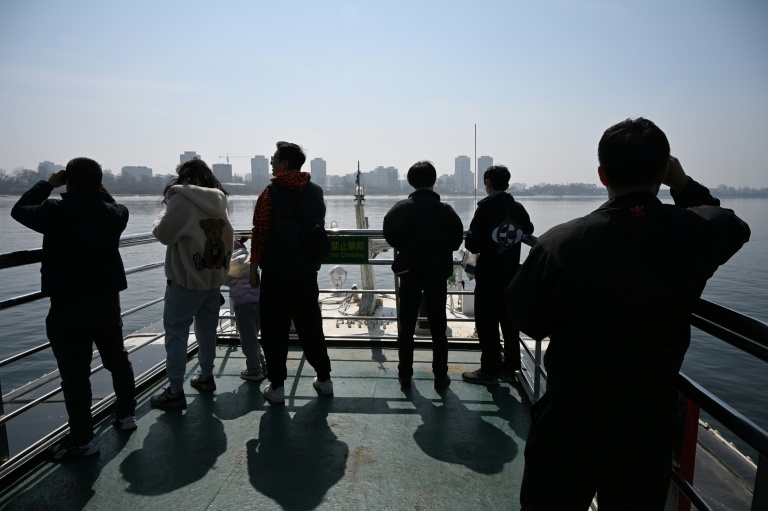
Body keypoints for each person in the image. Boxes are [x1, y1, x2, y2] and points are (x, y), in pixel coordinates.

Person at [507, 118, 751, 511]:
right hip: (648, 423)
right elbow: (731, 224)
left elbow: (525, 317)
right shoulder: (694, 233)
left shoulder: (561, 244)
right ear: (662, 172)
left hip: (572, 419)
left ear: (601, 175)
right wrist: (683, 184)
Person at [11, 157, 137, 460]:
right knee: (117, 360)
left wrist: (47, 184)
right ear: (100, 182)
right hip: (107, 301)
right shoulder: (117, 212)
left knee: (75, 374)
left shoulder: (55, 210)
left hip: (68, 304)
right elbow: (108, 202)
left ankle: (82, 440)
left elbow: (19, 210)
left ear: (68, 181)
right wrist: (100, 190)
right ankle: (126, 416)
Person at [250, 141, 333, 405]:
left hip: (276, 274)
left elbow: (259, 234)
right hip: (306, 273)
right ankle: (325, 380)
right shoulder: (316, 192)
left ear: (285, 163)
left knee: (275, 331)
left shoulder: (269, 194)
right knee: (311, 327)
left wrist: (253, 268)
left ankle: (276, 387)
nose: (272, 162)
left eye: (274, 159)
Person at [150, 158, 234, 408]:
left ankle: (175, 391)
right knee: (207, 332)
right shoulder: (219, 201)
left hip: (185, 282)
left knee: (176, 335)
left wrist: (159, 218)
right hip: (212, 280)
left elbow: (163, 234)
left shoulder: (182, 199)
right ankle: (206, 377)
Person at [383, 161, 464, 391]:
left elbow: (390, 235)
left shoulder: (400, 208)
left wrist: (408, 247)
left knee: (406, 326)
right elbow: (456, 239)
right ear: (433, 181)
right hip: (437, 274)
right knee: (438, 326)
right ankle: (440, 376)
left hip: (409, 272)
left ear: (411, 181)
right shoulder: (446, 210)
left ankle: (405, 375)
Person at [462, 165, 533, 387]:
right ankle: (510, 369)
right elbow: (527, 230)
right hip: (512, 274)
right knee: (510, 323)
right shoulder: (518, 208)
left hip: (489, 276)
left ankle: (489, 370)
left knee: (487, 323)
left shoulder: (485, 209)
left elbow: (472, 243)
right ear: (507, 183)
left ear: (488, 183)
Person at [226, 237, 267, 381]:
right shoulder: (251, 262)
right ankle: (264, 364)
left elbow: (221, 280)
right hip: (260, 302)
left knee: (248, 340)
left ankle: (254, 370)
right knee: (254, 337)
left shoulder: (228, 267)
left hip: (243, 305)